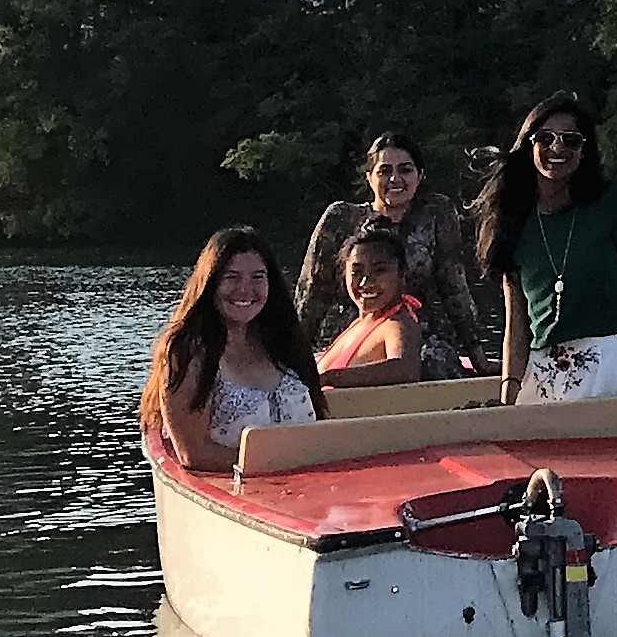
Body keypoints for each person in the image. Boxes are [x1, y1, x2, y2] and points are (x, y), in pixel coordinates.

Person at [476, 94, 617, 404]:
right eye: (545, 139)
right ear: (529, 145)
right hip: (541, 367)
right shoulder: (512, 219)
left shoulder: (611, 203)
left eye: (570, 141)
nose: (557, 149)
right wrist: (508, 396)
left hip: (606, 362)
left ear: (584, 151)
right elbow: (516, 323)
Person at [297, 133, 483, 380]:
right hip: (356, 333)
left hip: (417, 333)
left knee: (432, 364)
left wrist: (476, 353)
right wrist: (293, 359)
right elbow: (312, 293)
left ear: (420, 176)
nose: (395, 179)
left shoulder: (437, 213)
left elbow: (455, 288)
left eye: (405, 170)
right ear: (369, 178)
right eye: (384, 171)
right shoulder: (341, 219)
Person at [142, 227, 326, 472]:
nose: (245, 290)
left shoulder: (286, 343)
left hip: (311, 489)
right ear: (210, 284)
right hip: (238, 494)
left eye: (258, 277)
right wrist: (278, 467)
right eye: (232, 277)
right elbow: (192, 453)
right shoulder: (187, 353)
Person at [313, 221, 429, 388]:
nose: (366, 282)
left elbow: (406, 369)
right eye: (356, 272)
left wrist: (332, 378)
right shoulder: (360, 322)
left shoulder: (396, 324)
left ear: (402, 275)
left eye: (380, 270)